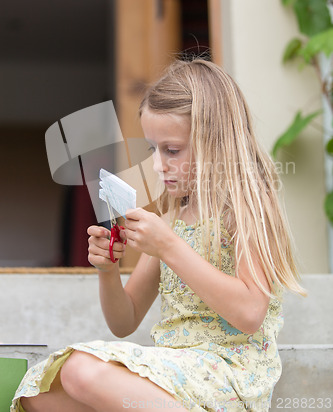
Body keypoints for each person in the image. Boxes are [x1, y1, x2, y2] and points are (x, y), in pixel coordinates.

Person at [12, 58, 305, 412]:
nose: (157, 165)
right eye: (153, 149)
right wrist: (108, 271)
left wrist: (168, 246)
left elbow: (249, 312)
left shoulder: (246, 208)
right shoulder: (173, 219)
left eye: (172, 150)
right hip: (175, 373)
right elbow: (125, 320)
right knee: (38, 394)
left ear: (215, 143)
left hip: (229, 374)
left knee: (79, 371)